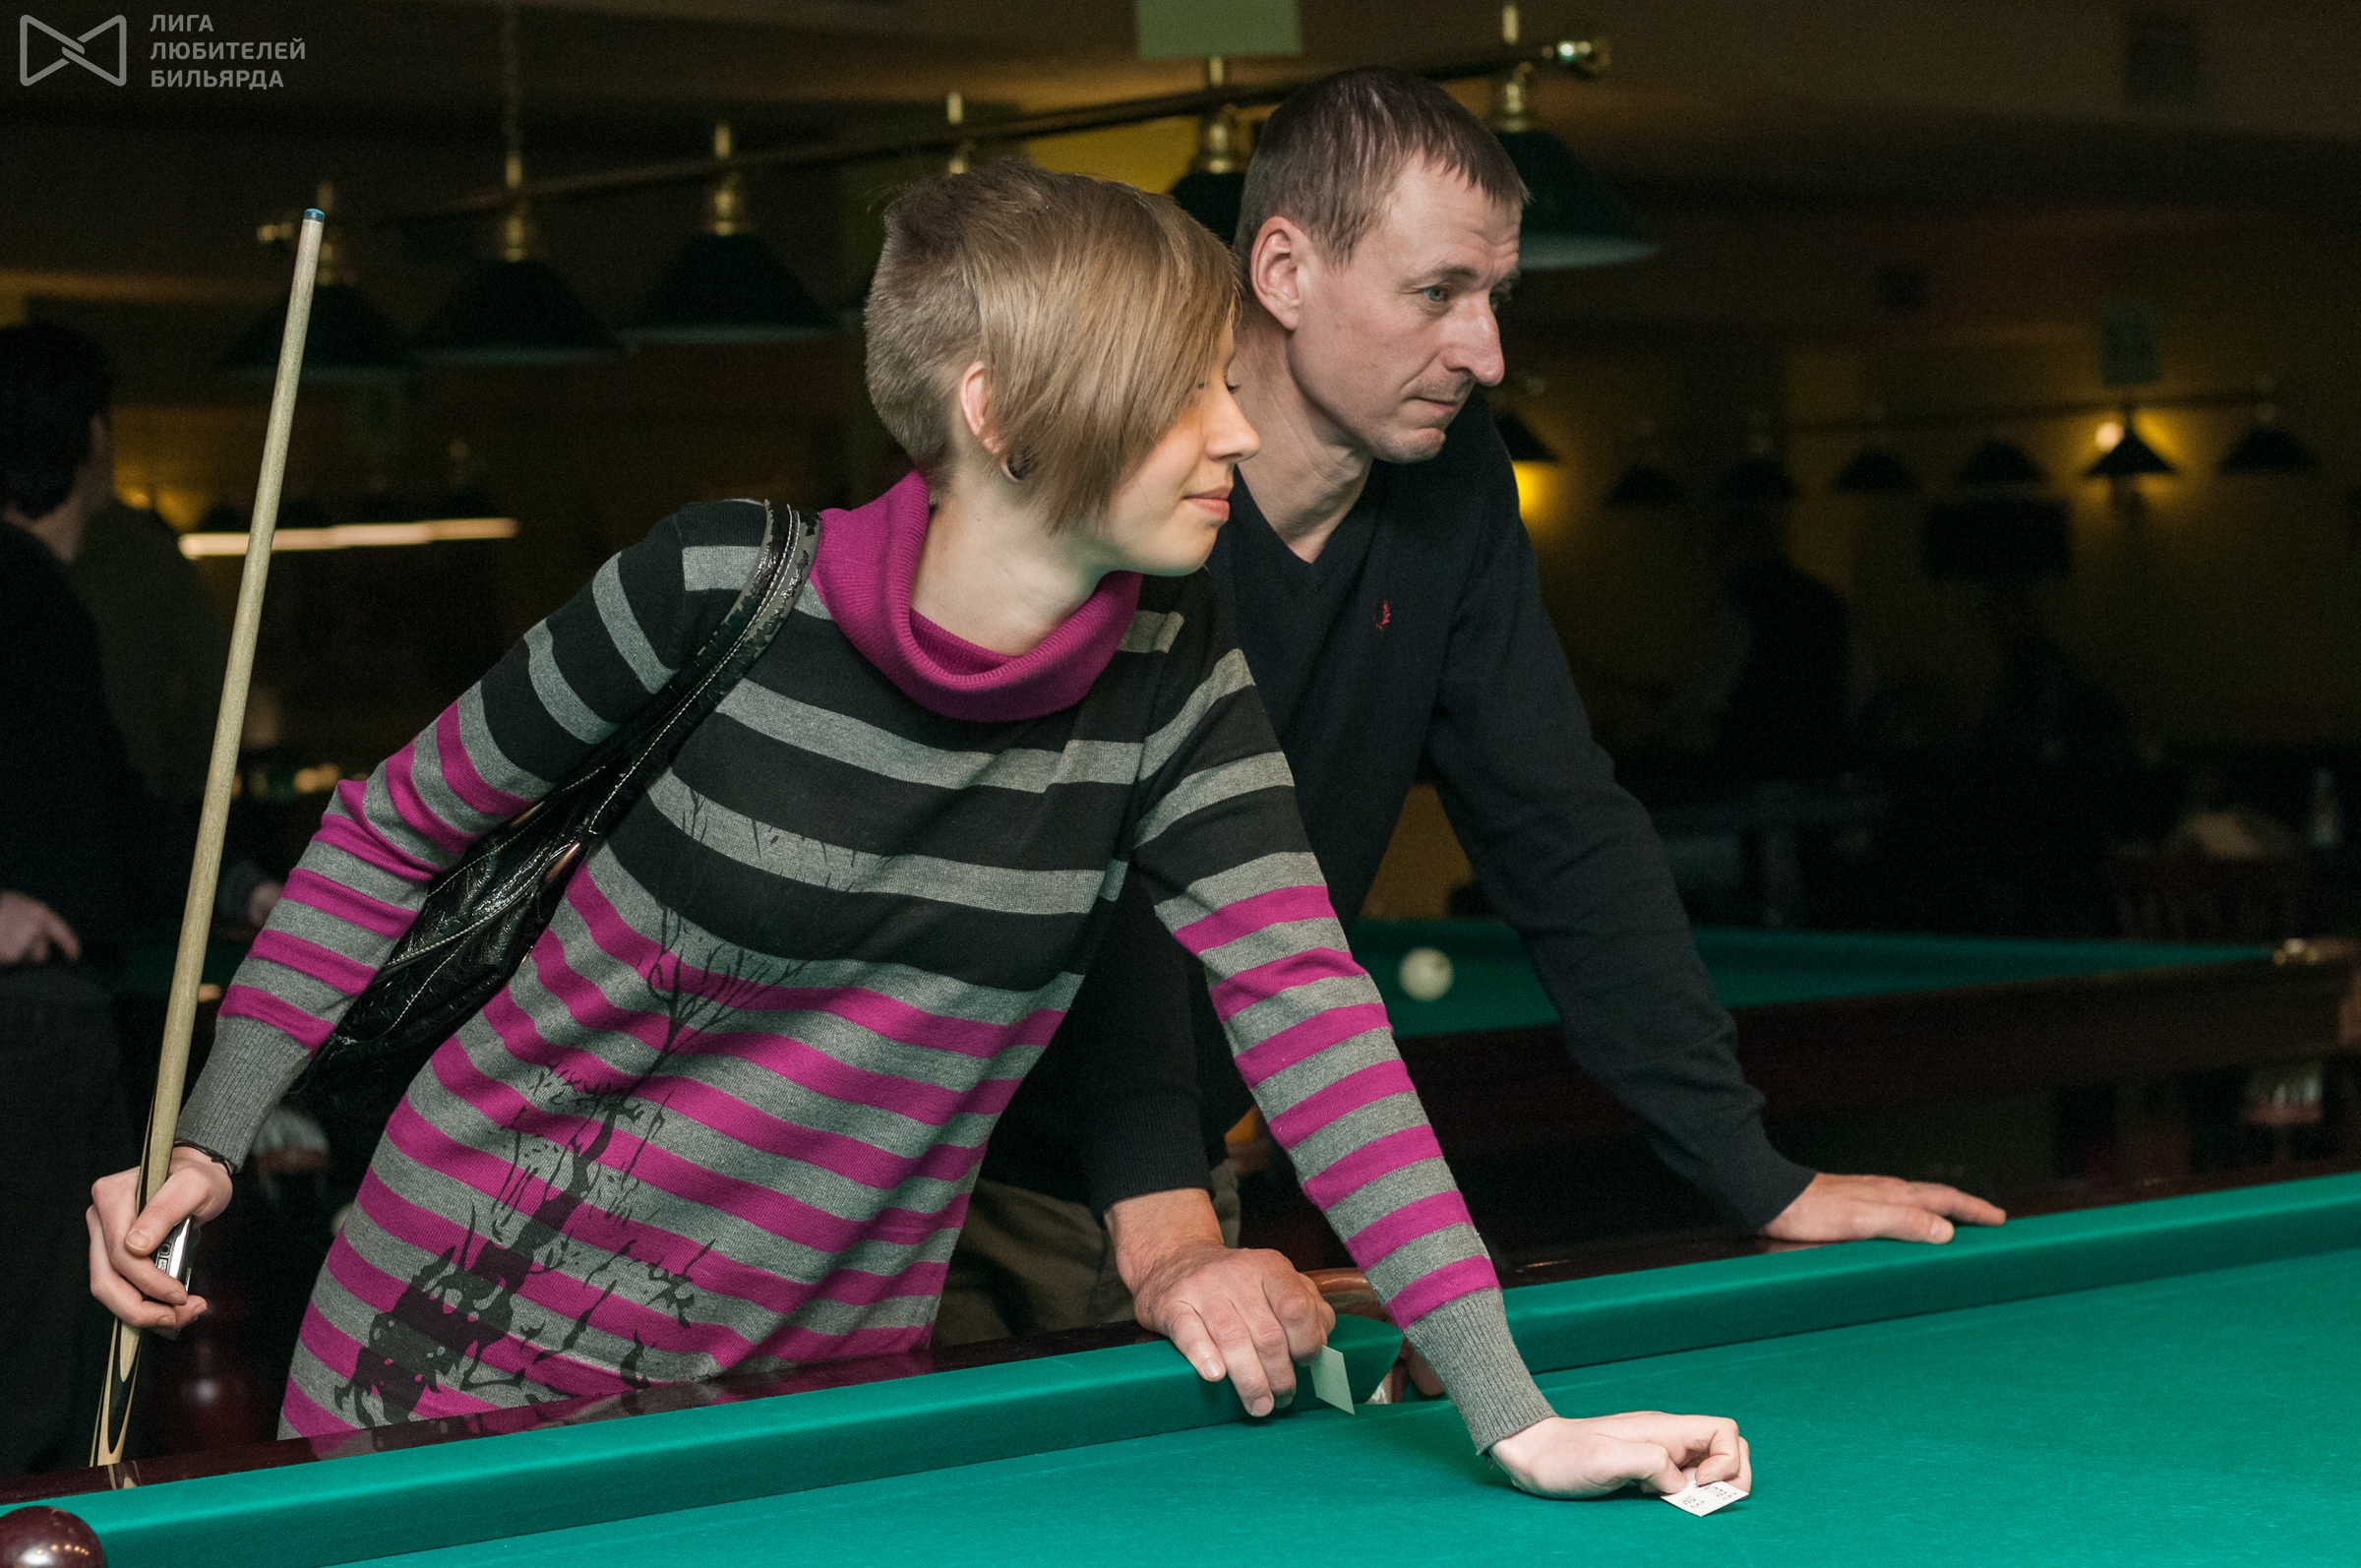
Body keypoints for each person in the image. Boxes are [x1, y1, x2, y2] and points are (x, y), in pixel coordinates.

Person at [91, 162, 1749, 1500]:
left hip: (817, 1399)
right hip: (453, 1355)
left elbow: (1313, 1016)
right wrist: (213, 1132)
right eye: (1188, 390)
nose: (1238, 430)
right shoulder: (716, 583)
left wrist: (1515, 1415)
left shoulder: (1174, 675)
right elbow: (390, 830)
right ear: (1001, 408)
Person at [951, 70, 2005, 1374]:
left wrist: (1751, 1169)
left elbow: (1558, 821)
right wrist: (1162, 1212)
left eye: (1497, 295)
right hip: (952, 1168)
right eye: (1437, 292)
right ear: (1282, 271)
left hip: (1176, 1178)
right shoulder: (1133, 483)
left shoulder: (1454, 483)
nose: (1486, 350)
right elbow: (1110, 883)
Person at [1, 322, 274, 1476]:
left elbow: (113, 808)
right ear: (95, 439)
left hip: (57, 1023)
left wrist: (251, 886)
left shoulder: (43, 600)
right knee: (39, 1384)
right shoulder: (19, 593)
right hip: (28, 1029)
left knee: (70, 1373)